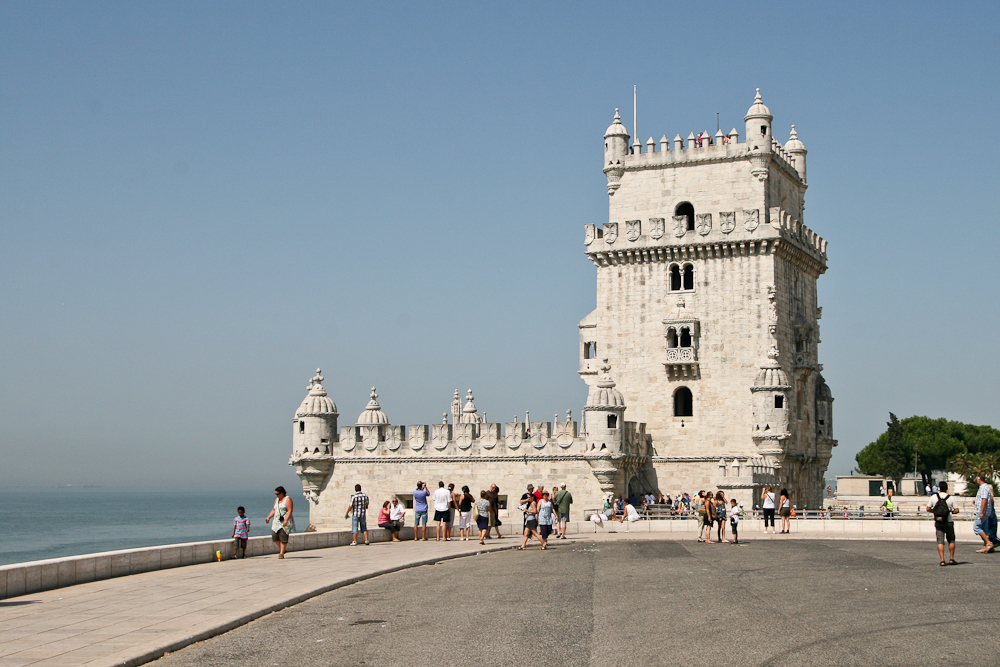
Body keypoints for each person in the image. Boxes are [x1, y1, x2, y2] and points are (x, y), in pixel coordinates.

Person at [927, 480, 959, 566]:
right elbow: (956, 510)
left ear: (939, 488)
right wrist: (951, 511)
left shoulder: (934, 497)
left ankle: (942, 560)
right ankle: (951, 558)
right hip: (948, 521)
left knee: (940, 541)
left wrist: (935, 512)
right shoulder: (951, 498)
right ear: (947, 488)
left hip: (939, 521)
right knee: (951, 540)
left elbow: (928, 508)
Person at [266, 486, 294, 558]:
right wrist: (268, 517)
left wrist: (286, 520)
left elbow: (290, 510)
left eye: (278, 494)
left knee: (283, 537)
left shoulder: (288, 499)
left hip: (284, 520)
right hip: (276, 521)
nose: (277, 495)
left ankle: (281, 553)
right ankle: (282, 549)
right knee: (274, 537)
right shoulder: (277, 500)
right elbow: (274, 509)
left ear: (282, 493)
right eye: (276, 494)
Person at [973, 475, 997, 553]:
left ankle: (989, 543)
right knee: (985, 529)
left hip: (982, 512)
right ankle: (987, 546)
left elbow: (984, 500)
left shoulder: (983, 487)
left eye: (977, 479)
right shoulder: (985, 487)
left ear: (979, 479)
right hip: (986, 511)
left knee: (977, 527)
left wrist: (981, 512)